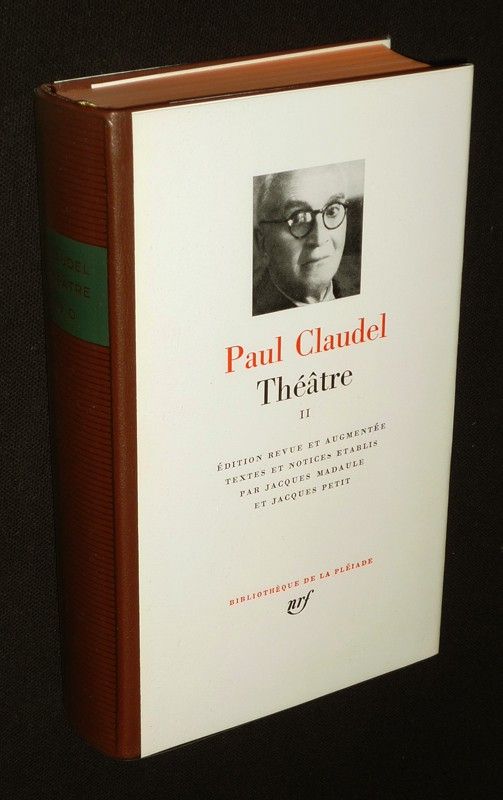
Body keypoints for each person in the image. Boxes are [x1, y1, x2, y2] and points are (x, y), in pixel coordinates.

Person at [253, 163, 360, 316]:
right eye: (298, 218)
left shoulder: (359, 283)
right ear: (262, 241)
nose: (320, 239)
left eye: (332, 211)